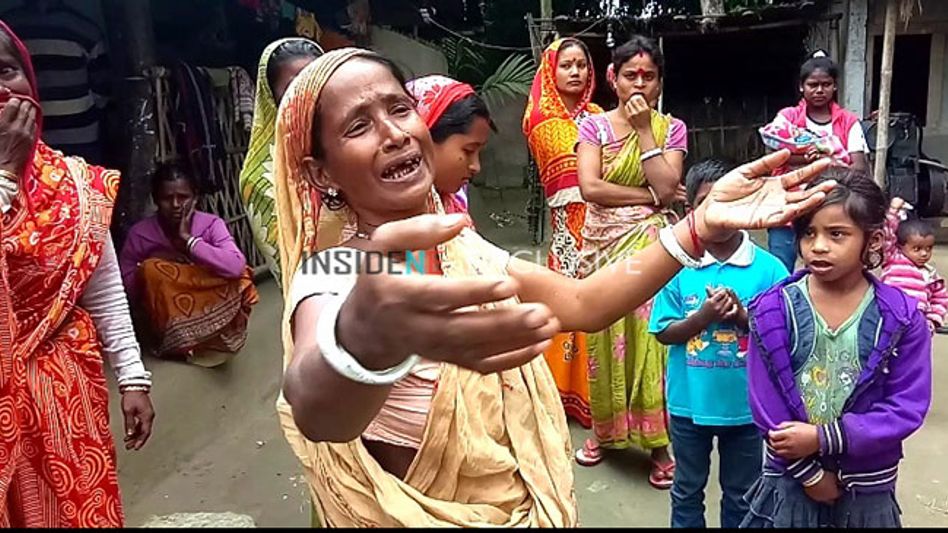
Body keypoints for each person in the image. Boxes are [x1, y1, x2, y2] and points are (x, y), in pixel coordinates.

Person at [272, 47, 834, 527]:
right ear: (321, 172)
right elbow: (317, 413)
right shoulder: (333, 273)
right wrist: (362, 343)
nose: (394, 133)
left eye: (399, 109)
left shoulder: (464, 250)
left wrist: (699, 225)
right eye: (358, 125)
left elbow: (583, 302)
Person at [0, 21, 153, 527]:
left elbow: (105, 291)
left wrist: (132, 377)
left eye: (6, 72)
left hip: (67, 392)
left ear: (31, 81)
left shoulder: (75, 186)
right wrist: (4, 175)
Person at [742, 171, 931, 528]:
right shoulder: (771, 310)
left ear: (872, 240)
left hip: (866, 486)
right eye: (808, 233)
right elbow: (764, 402)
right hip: (791, 479)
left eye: (837, 234)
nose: (819, 246)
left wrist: (825, 438)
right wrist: (809, 474)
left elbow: (907, 405)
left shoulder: (902, 319)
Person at [574, 35, 688, 489]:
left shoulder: (670, 129)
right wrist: (648, 197)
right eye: (630, 75)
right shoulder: (594, 128)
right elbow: (591, 188)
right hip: (602, 244)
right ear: (612, 78)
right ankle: (605, 433)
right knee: (603, 337)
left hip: (651, 248)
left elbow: (671, 185)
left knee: (651, 341)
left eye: (649, 75)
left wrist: (643, 131)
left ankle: (658, 443)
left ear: (660, 81)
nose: (639, 84)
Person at [648, 159, 790, 528]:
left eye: (729, 202)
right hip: (688, 405)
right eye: (708, 203)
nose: (721, 214)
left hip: (747, 408)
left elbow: (785, 336)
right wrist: (703, 318)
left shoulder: (770, 269)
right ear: (690, 211)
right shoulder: (676, 266)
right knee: (686, 490)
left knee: (743, 493)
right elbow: (663, 331)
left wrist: (742, 317)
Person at [522, 38, 603, 427]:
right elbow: (585, 173)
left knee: (607, 297)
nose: (575, 72)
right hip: (570, 226)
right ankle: (565, 391)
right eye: (566, 65)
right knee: (570, 302)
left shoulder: (601, 115)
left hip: (606, 222)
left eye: (582, 65)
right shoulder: (540, 121)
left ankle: (603, 392)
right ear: (550, 72)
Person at [120, 164, 259, 368]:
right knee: (151, 269)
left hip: (206, 302)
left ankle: (214, 336)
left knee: (242, 276)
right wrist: (154, 266)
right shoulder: (140, 234)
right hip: (162, 314)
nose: (176, 204)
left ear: (195, 198)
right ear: (156, 200)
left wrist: (191, 242)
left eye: (183, 197)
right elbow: (123, 286)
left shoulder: (211, 224)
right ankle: (178, 345)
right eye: (167, 198)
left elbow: (235, 266)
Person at [763, 51, 869, 273]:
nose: (820, 90)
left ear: (835, 86)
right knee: (780, 268)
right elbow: (770, 157)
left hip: (833, 208)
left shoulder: (848, 122)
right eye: (813, 84)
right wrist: (819, 161)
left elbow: (860, 169)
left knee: (828, 268)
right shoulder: (787, 118)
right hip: (788, 207)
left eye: (826, 84)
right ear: (801, 87)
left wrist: (820, 161)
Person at [239, 38, 324, 286]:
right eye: (294, 88)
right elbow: (297, 266)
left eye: (317, 83)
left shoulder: (347, 141)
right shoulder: (261, 175)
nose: (309, 96)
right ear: (272, 98)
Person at [2, 0, 110, 164]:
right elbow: (101, 90)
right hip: (65, 135)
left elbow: (102, 87)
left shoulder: (9, 26)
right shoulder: (85, 28)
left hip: (67, 137)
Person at [406, 74, 494, 223]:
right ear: (424, 140)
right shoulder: (384, 219)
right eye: (468, 151)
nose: (476, 167)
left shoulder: (455, 203)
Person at [881, 197, 948, 333]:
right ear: (901, 246)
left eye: (928, 248)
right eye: (917, 249)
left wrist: (932, 321)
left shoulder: (930, 275)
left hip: (915, 326)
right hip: (888, 318)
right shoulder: (893, 258)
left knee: (915, 353)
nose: (924, 254)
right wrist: (893, 211)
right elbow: (886, 235)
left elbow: (941, 299)